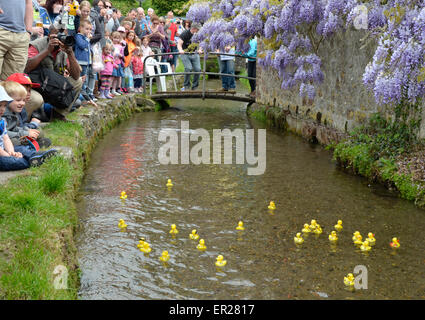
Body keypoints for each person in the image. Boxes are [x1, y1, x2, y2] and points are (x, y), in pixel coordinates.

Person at [25, 25, 83, 120]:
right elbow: (27, 68)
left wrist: (70, 53)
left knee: (78, 81)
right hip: (36, 86)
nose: (61, 37)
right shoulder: (36, 45)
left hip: (52, 87)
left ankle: (58, 115)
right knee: (36, 99)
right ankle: (24, 122)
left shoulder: (63, 49)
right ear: (49, 35)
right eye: (57, 34)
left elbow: (76, 76)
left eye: (63, 34)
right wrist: (47, 50)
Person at [0, 85, 57, 171]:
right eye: (0, 105)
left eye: (4, 105)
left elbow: (6, 138)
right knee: (9, 161)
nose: (2, 109)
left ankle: (34, 155)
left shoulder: (1, 121)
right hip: (1, 154)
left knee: (20, 149)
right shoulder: (5, 116)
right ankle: (30, 161)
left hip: (3, 149)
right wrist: (8, 155)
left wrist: (12, 152)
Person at [1, 76, 51, 148]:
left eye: (30, 90)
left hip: (15, 134)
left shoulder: (15, 110)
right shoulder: (4, 113)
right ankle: (29, 146)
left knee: (39, 132)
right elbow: (5, 133)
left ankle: (31, 143)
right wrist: (26, 132)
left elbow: (15, 127)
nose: (22, 103)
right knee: (14, 141)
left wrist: (27, 130)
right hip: (6, 140)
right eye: (18, 100)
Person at [0, 0, 34, 81]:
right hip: (2, 29)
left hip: (21, 37)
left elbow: (28, 3)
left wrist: (28, 31)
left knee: (13, 85)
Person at [177, 22, 202, 91]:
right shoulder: (185, 34)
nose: (199, 31)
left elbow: (201, 43)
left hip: (194, 53)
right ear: (193, 29)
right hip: (185, 53)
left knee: (198, 69)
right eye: (198, 29)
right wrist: (180, 50)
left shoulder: (198, 35)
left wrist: (200, 49)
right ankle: (186, 86)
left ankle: (195, 87)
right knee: (188, 68)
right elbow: (179, 44)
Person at [110, 29, 125, 96]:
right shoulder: (111, 45)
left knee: (117, 77)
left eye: (117, 38)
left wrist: (120, 55)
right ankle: (109, 89)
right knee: (112, 76)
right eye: (115, 38)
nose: (116, 40)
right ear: (112, 38)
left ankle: (114, 89)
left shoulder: (120, 47)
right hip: (112, 63)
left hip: (118, 62)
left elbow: (122, 55)